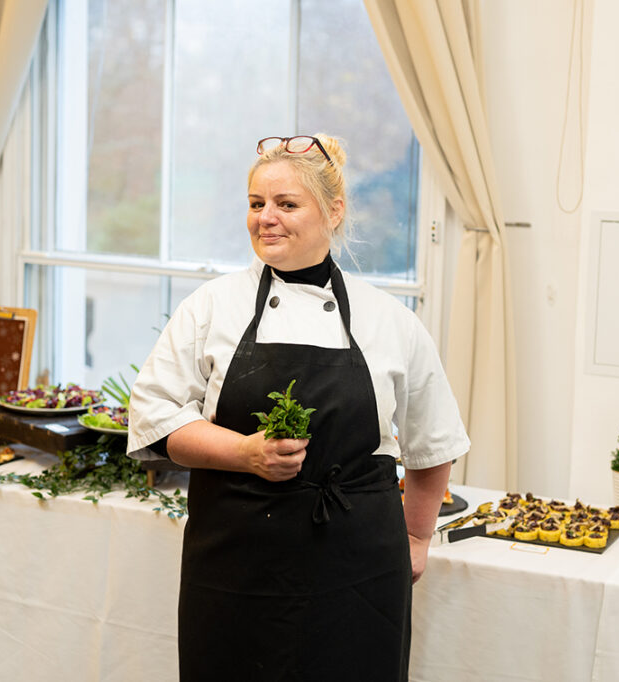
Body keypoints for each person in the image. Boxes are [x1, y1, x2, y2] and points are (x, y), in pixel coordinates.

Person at [126, 134, 469, 681]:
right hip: (236, 562)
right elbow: (155, 419)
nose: (267, 218)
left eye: (286, 205)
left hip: (358, 572)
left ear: (333, 212)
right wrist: (244, 452)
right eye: (256, 204)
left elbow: (435, 441)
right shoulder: (211, 308)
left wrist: (417, 537)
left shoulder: (389, 320)